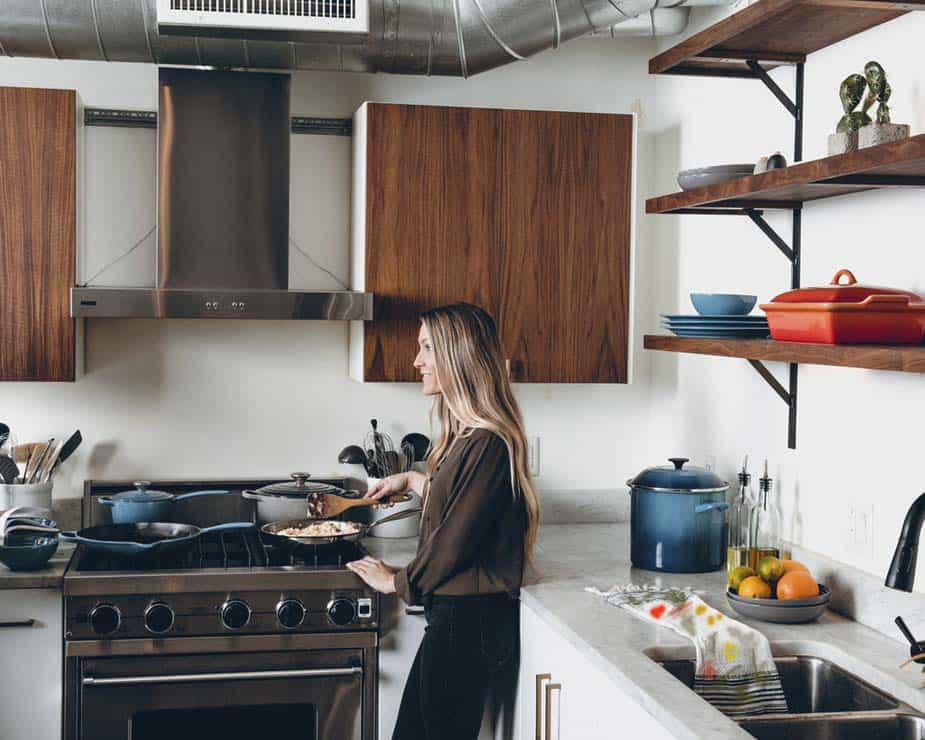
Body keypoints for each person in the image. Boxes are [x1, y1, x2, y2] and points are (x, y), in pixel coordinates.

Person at [347, 303, 540, 740]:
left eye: (427, 348)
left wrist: (397, 581)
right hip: (458, 622)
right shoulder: (470, 438)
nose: (417, 361)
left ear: (459, 355)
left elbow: (455, 541)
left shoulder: (488, 442)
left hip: (467, 625)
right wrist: (417, 481)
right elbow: (466, 506)